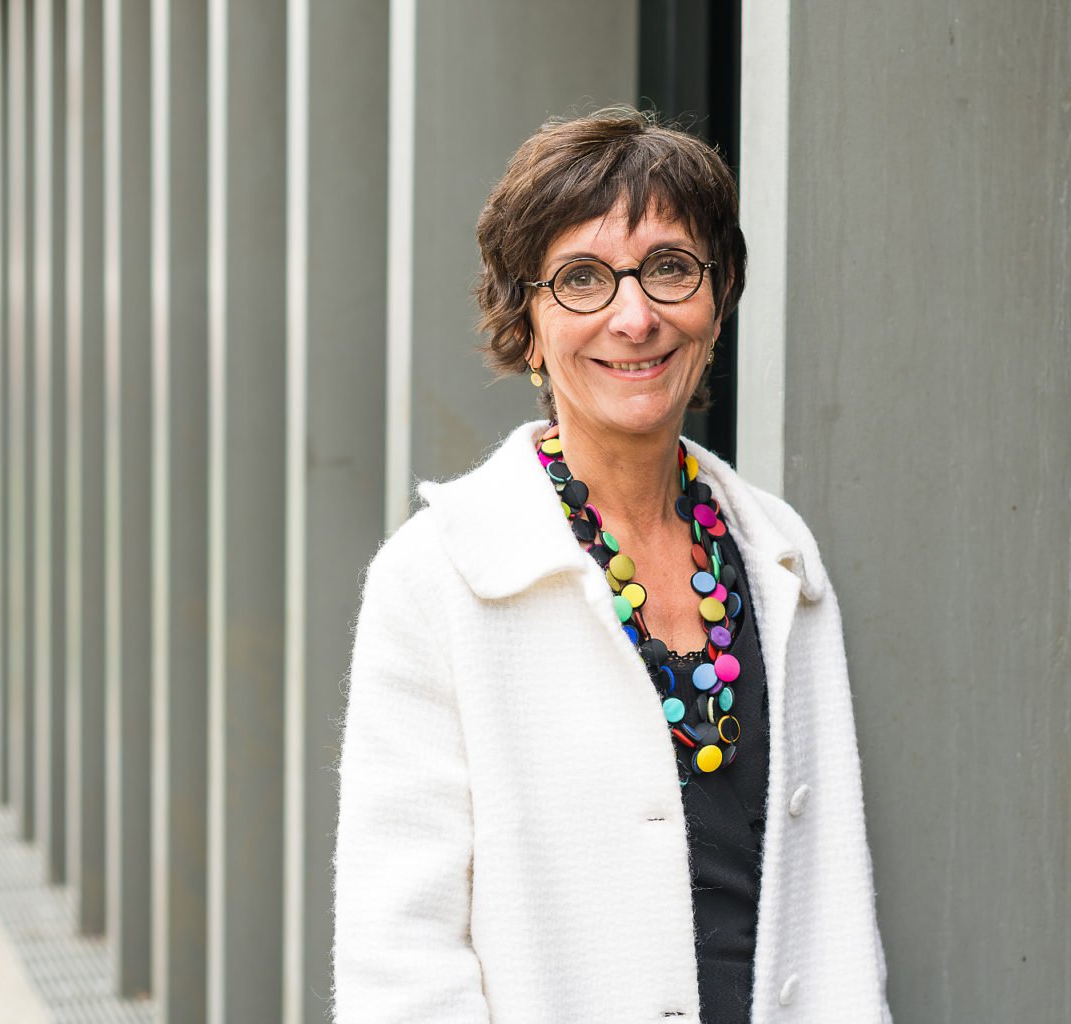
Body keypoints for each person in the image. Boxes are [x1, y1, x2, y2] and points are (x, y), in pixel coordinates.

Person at [333, 107, 892, 1023]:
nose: (635, 317)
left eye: (671, 268)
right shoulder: (438, 577)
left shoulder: (780, 557)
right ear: (527, 319)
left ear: (720, 295)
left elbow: (833, 897)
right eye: (583, 279)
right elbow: (400, 956)